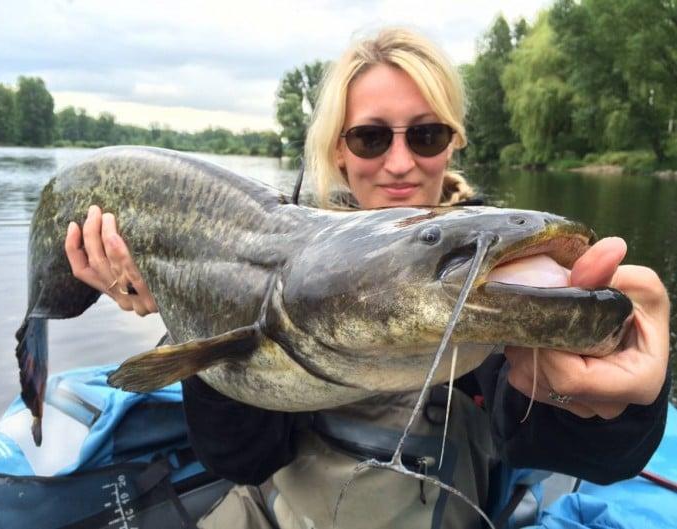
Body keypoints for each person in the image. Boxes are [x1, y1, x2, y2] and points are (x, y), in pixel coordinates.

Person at [64, 28, 670, 528]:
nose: (401, 162)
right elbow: (240, 459)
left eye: (427, 135)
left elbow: (573, 452)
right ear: (338, 152)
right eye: (371, 137)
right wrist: (186, 308)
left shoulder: (489, 274)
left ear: (452, 145)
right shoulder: (273, 259)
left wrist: (621, 403)